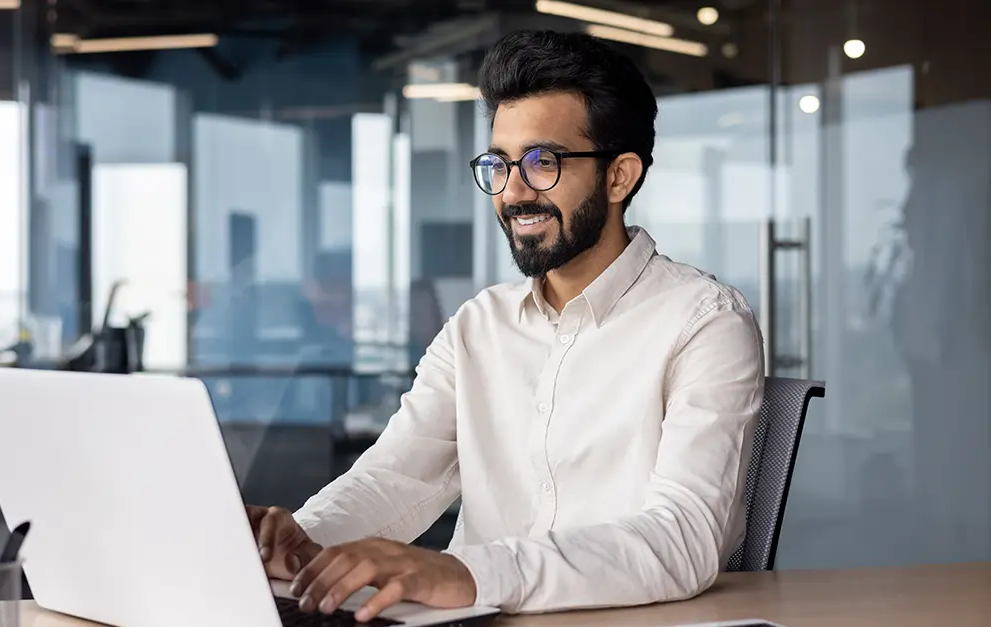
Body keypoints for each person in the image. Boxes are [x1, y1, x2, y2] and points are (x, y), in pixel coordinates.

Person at [247, 29, 764, 621]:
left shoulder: (705, 322)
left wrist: (467, 573)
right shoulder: (478, 325)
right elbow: (395, 477)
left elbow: (684, 539)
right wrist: (303, 542)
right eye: (499, 163)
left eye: (543, 162)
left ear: (619, 177)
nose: (513, 192)